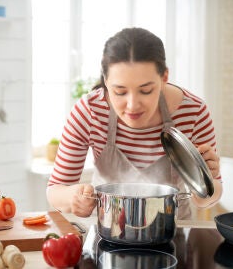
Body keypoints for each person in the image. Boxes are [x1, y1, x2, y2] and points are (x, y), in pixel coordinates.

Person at [46, 27, 222, 219]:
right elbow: (55, 189)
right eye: (120, 91)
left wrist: (207, 180)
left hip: (173, 233)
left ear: (164, 78)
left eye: (145, 90)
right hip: (108, 231)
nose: (132, 106)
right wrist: (73, 198)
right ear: (105, 81)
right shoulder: (89, 111)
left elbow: (207, 199)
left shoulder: (193, 112)